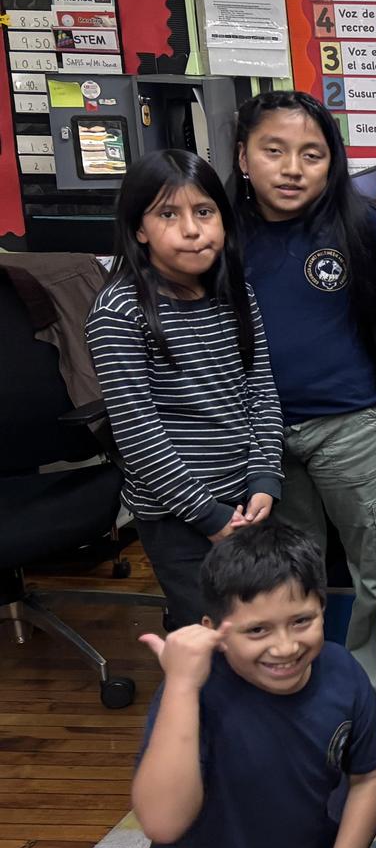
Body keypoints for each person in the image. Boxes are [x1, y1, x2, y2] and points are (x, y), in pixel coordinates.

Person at [230, 90, 376, 676]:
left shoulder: (360, 222)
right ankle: (305, 682)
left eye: (312, 154)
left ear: (333, 162)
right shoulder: (220, 232)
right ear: (243, 158)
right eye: (274, 150)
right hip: (260, 438)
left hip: (351, 423)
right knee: (288, 572)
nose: (293, 168)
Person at [129, 520, 376, 848]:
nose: (285, 647)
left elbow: (370, 776)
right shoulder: (194, 691)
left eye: (302, 621)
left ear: (322, 608)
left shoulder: (341, 672)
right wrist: (180, 684)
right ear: (215, 633)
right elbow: (162, 824)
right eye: (257, 630)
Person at [87, 150, 282, 630]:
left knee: (256, 626)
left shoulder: (236, 292)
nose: (192, 229)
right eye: (168, 215)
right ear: (139, 229)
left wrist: (264, 478)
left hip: (244, 498)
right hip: (178, 515)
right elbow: (138, 434)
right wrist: (207, 514)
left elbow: (260, 390)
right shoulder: (119, 312)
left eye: (204, 212)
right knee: (208, 634)